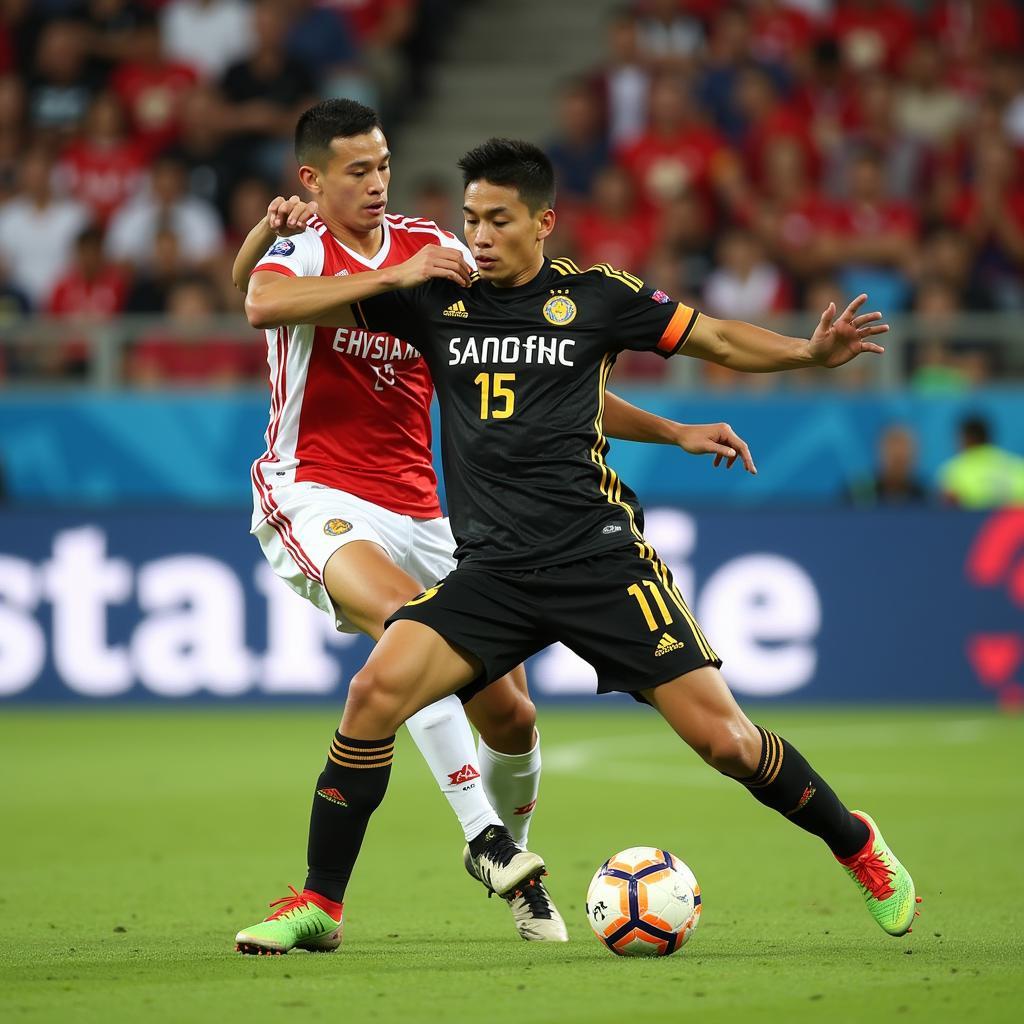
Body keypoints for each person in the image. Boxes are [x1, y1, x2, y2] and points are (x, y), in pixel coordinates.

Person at [233, 138, 919, 955]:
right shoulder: (433, 299)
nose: (478, 238)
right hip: (493, 571)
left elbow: (720, 342)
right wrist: (278, 235)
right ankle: (320, 903)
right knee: (374, 695)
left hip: (598, 560)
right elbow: (275, 298)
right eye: (469, 220)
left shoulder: (598, 298)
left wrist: (806, 355)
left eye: (497, 221)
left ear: (543, 222)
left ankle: (857, 844)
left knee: (726, 742)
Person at [938, 415, 1024, 508]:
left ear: (967, 438)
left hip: (973, 522)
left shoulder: (954, 470)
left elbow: (948, 505)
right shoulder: (1017, 465)